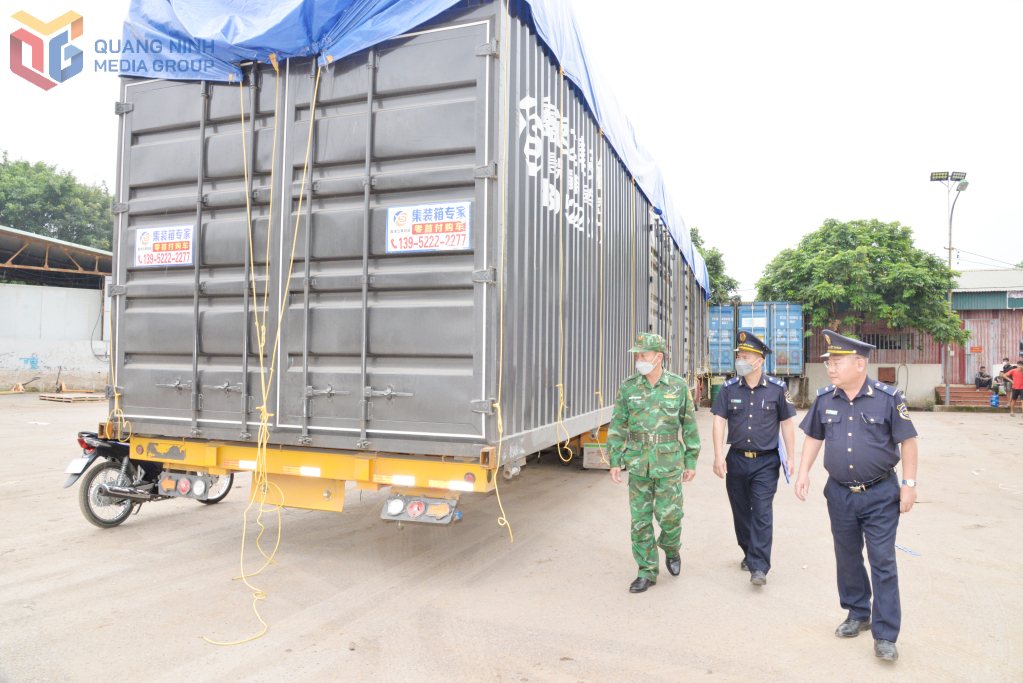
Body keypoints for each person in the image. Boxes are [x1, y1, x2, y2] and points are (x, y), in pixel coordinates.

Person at [794, 330, 918, 663]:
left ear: (859, 363)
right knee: (847, 556)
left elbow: (907, 441)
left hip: (880, 493)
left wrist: (909, 483)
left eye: (837, 362)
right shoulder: (824, 399)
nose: (831, 368)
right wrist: (803, 472)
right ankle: (857, 612)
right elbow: (813, 438)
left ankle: (886, 633)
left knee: (882, 561)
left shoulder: (888, 398)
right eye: (829, 362)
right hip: (839, 493)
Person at [607, 333, 701, 593]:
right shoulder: (628, 387)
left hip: (669, 463)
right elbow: (617, 426)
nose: (639, 360)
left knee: (670, 517)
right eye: (637, 355)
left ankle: (671, 548)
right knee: (640, 520)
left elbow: (689, 426)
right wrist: (615, 459)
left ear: (659, 357)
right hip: (638, 464)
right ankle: (646, 570)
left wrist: (691, 459)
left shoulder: (679, 387)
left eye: (643, 355)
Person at [710, 331, 796, 585]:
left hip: (766, 462)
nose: (740, 360)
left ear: (760, 360)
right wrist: (717, 455)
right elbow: (719, 421)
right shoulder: (728, 389)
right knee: (741, 512)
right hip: (736, 458)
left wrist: (791, 458)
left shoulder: (778, 389)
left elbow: (787, 425)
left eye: (746, 356)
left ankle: (759, 566)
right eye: (739, 356)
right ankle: (749, 551)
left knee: (761, 511)